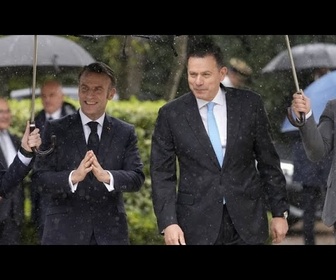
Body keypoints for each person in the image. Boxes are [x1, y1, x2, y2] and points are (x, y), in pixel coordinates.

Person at [150, 41, 289, 245]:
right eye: (192, 74)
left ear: (222, 73)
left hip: (247, 221)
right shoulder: (171, 115)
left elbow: (268, 162)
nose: (198, 81)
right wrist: (169, 222)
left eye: (205, 75)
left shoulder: (249, 105)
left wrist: (279, 212)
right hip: (196, 223)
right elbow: (162, 174)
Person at [31, 61, 145, 245]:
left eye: (98, 89)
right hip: (63, 234)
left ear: (111, 93)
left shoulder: (124, 132)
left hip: (110, 234)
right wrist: (72, 177)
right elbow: (39, 179)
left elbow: (136, 177)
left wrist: (106, 176)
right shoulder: (55, 129)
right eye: (84, 88)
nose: (89, 95)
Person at [288, 68, 332, 245]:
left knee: (310, 207)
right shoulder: (312, 100)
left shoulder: (308, 95)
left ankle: (309, 240)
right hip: (321, 165)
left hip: (313, 165)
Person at [30, 79, 77, 242]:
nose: (47, 99)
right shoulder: (35, 121)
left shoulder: (73, 118)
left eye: (52, 95)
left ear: (62, 96)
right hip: (44, 193)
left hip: (71, 189)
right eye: (43, 96)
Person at [0, 98, 40, 244]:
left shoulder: (15, 139)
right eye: (0, 112)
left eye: (7, 111)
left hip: (14, 214)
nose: (4, 115)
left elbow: (7, 181)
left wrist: (26, 150)